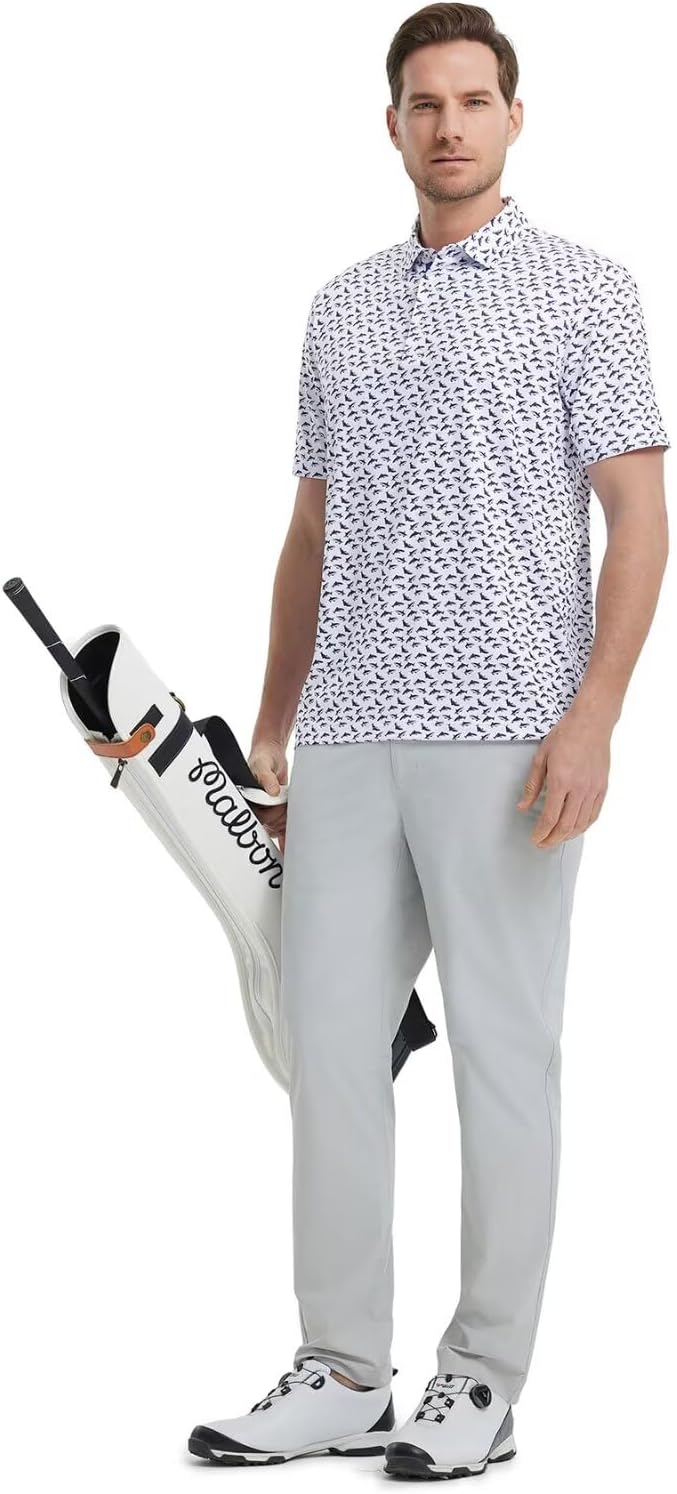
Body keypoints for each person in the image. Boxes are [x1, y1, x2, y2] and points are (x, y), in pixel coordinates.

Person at [188, 3, 670, 1476]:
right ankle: (342, 1366)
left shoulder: (586, 290)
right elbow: (311, 530)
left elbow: (637, 516)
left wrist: (594, 717)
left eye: (473, 99)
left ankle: (480, 1381)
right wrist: (273, 724)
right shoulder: (339, 306)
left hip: (511, 734)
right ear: (390, 125)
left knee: (501, 1058)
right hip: (348, 732)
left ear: (515, 117)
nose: (448, 124)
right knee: (327, 1045)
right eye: (423, 103)